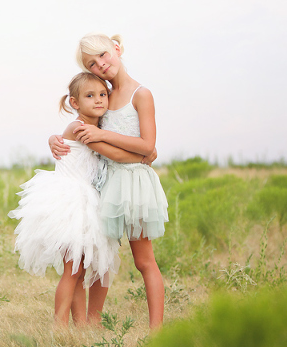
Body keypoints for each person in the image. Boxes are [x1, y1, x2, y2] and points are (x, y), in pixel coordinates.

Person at [49, 33, 169, 329]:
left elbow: (147, 145)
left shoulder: (141, 94)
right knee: (100, 257)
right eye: (93, 63)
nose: (101, 64)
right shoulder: (101, 95)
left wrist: (103, 135)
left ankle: (157, 331)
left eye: (103, 55)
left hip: (134, 187)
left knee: (144, 260)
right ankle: (91, 323)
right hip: (103, 187)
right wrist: (54, 138)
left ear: (117, 49)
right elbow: (80, 130)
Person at [10, 72, 144, 327]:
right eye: (90, 96)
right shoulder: (81, 128)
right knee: (73, 270)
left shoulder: (99, 127)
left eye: (103, 94)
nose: (98, 100)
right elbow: (114, 154)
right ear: (75, 103)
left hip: (90, 202)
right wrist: (144, 153)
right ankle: (59, 326)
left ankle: (82, 326)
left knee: (87, 268)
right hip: (71, 203)